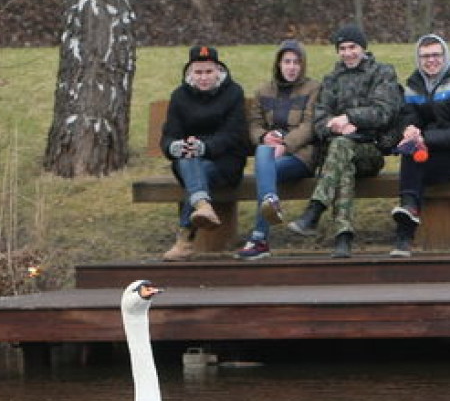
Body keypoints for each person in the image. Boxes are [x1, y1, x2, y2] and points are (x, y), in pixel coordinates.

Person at [287, 23, 403, 259]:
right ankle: (343, 237)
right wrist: (336, 126)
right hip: (339, 153)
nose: (348, 53)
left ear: (363, 48)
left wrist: (351, 118)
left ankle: (315, 210)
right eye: (342, 48)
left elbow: (384, 112)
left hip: (370, 151)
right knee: (342, 158)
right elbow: (319, 121)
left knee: (341, 150)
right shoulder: (332, 79)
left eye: (353, 47)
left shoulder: (382, 73)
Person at [388, 34, 450, 257]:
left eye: (435, 55)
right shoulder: (414, 85)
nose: (430, 60)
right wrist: (410, 130)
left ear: (445, 56)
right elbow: (409, 117)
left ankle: (404, 237)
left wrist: (425, 138)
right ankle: (409, 210)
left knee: (413, 168)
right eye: (425, 56)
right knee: (411, 155)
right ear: (418, 59)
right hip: (430, 152)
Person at [159, 44, 250, 261]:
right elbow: (168, 136)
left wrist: (203, 147)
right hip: (188, 162)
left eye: (208, 71)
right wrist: (176, 147)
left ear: (218, 70)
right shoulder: (179, 96)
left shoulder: (234, 93)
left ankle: (184, 240)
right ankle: (202, 206)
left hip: (225, 164)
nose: (203, 77)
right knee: (190, 159)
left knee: (194, 163)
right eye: (198, 72)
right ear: (190, 72)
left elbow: (234, 135)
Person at [237, 39, 321, 261]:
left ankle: (259, 239)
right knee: (264, 153)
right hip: (270, 156)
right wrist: (265, 136)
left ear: (303, 65)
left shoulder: (313, 88)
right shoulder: (264, 91)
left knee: (265, 166)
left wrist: (285, 145)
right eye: (287, 62)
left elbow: (309, 126)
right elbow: (254, 125)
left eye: (296, 62)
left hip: (301, 156)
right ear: (278, 64)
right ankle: (271, 201)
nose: (292, 67)